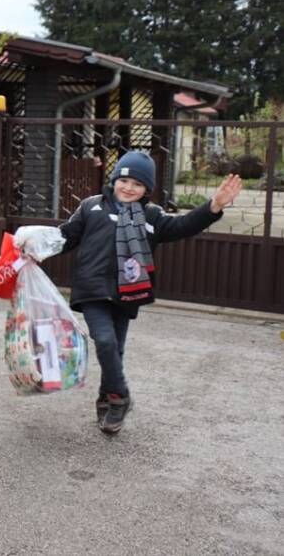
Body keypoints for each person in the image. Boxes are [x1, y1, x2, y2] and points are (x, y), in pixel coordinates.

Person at [18, 151, 241, 435]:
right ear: (115, 180)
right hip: (92, 290)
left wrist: (213, 206)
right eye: (124, 180)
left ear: (147, 189)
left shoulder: (152, 216)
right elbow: (66, 236)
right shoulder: (91, 207)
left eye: (138, 184)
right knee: (106, 342)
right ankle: (120, 397)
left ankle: (106, 399)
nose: (129, 188)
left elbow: (183, 226)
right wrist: (34, 247)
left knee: (116, 351)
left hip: (128, 294)